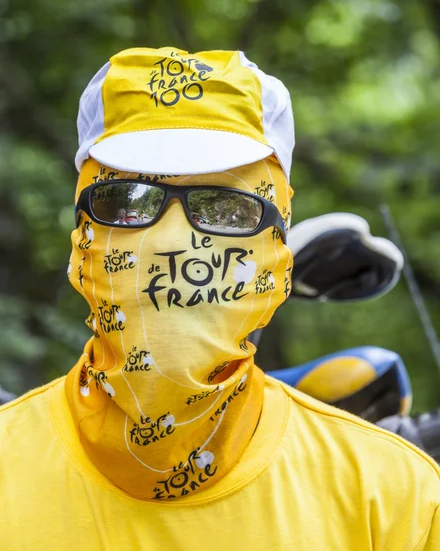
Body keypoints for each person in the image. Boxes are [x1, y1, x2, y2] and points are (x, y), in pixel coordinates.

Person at [0, 47, 438, 551]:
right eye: (126, 202)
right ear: (81, 232)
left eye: (228, 208)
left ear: (280, 246)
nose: (169, 242)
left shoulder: (396, 497)